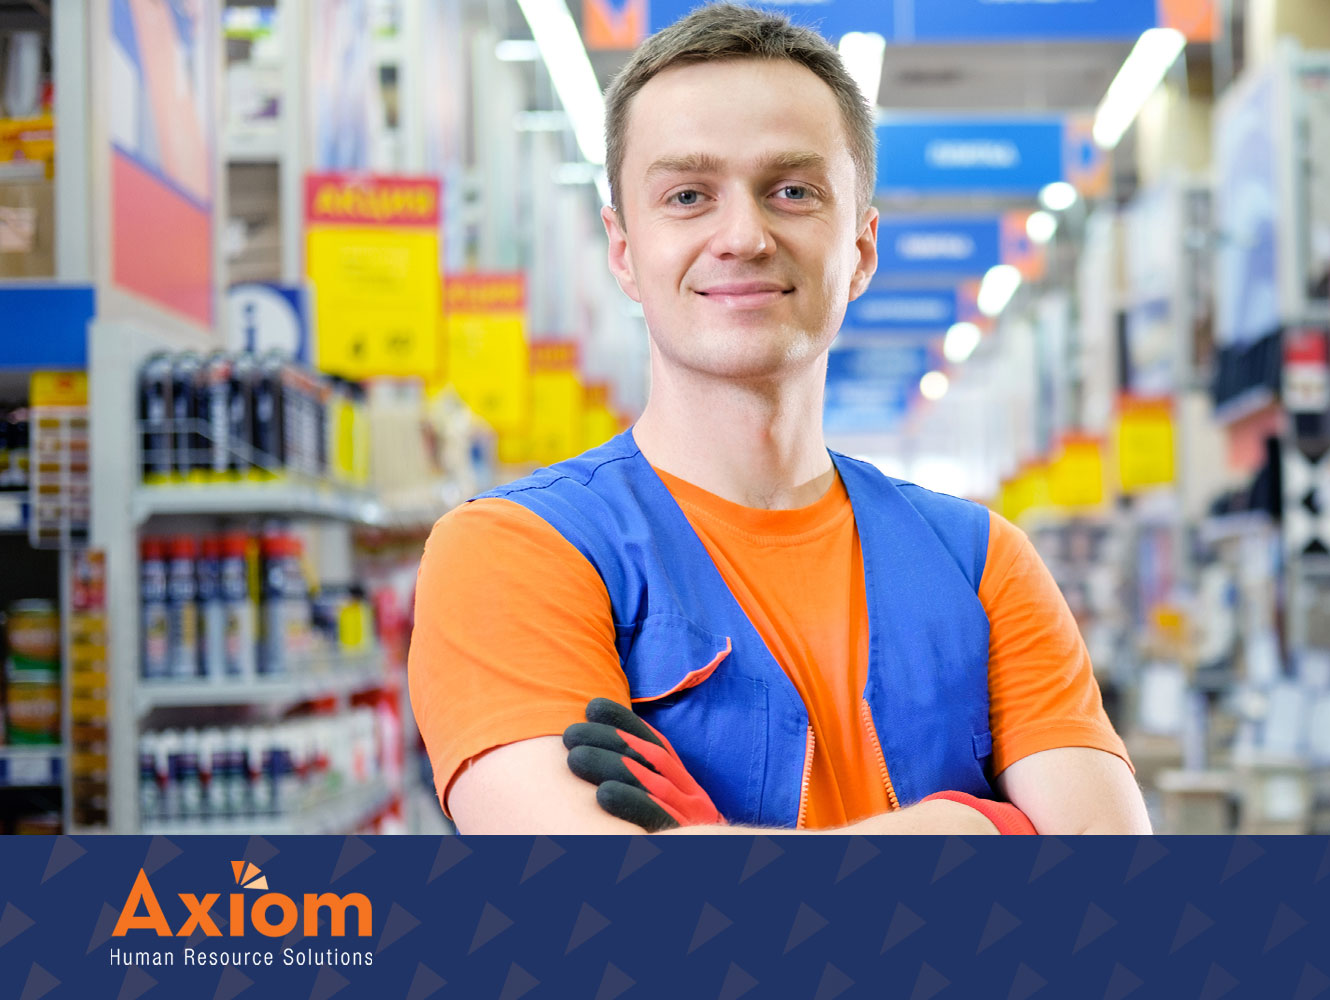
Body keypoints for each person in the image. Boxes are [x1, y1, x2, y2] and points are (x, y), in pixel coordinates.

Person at [407, 3, 1151, 836]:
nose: (743, 235)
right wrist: (986, 826)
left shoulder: (980, 563)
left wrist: (714, 850)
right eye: (687, 195)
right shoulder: (513, 552)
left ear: (861, 248)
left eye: (791, 191)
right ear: (624, 250)